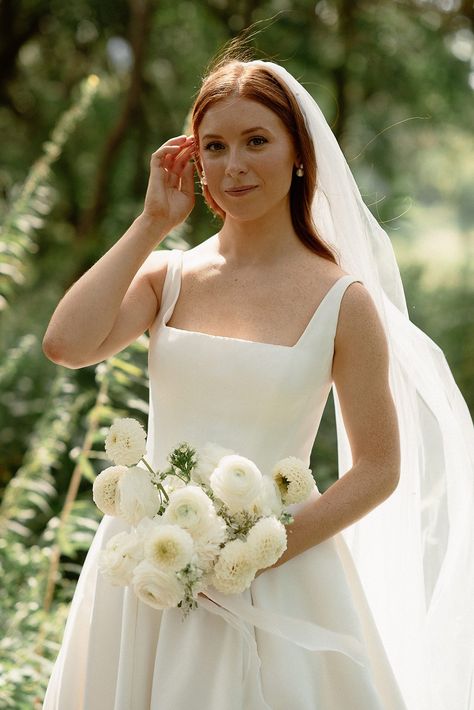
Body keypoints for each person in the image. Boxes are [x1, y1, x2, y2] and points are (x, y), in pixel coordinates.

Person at [41, 56, 473, 710]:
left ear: (299, 153)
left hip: (275, 572)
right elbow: (66, 345)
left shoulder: (343, 301)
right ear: (192, 159)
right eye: (214, 146)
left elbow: (379, 466)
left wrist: (255, 555)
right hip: (147, 574)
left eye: (257, 141)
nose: (233, 164)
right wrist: (153, 222)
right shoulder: (168, 278)